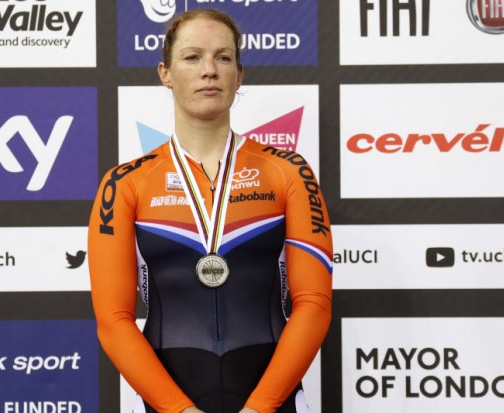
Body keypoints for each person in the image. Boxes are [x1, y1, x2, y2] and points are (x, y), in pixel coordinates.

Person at [88, 8, 333, 413]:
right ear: (165, 73)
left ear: (239, 75)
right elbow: (113, 321)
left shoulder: (289, 171)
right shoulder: (124, 183)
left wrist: (261, 407)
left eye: (223, 57)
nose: (209, 70)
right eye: (192, 57)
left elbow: (314, 303)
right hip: (165, 405)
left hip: (274, 403)